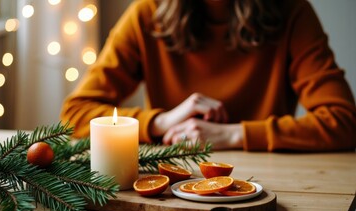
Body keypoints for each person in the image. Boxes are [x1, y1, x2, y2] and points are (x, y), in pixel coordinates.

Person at [60, 0, 356, 152]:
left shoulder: (293, 11)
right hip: (170, 180)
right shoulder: (147, 13)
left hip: (276, 187)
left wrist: (233, 134)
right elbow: (74, 115)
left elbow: (344, 121)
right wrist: (162, 122)